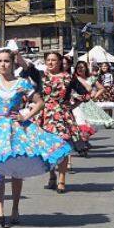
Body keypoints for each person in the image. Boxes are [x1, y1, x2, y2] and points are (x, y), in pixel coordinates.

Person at [0, 49, 70, 226]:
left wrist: (26, 116)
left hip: (14, 129)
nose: (3, 64)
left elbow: (40, 102)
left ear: (13, 63)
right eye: (0, 61)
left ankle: (15, 209)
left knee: (16, 171)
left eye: (6, 61)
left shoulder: (22, 83)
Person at [26, 51, 85, 194]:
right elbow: (27, 68)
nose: (50, 62)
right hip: (44, 116)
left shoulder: (69, 77)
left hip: (61, 117)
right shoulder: (41, 75)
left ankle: (62, 178)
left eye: (54, 60)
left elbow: (85, 93)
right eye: (48, 60)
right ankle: (52, 175)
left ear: (60, 62)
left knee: (62, 147)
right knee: (47, 148)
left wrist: (71, 106)